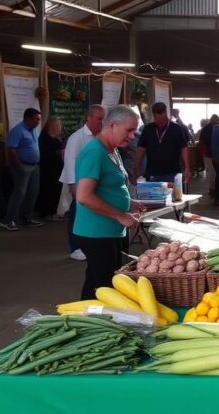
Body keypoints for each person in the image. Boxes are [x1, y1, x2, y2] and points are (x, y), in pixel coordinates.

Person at [74, 105, 147, 300]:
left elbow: (109, 186)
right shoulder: (94, 152)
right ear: (112, 125)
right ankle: (96, 316)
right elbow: (84, 196)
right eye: (129, 130)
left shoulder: (112, 149)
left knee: (100, 281)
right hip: (97, 232)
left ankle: (87, 313)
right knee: (105, 286)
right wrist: (120, 215)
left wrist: (129, 202)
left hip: (112, 231)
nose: (131, 137)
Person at [60, 104, 106, 261]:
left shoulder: (101, 137)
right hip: (80, 185)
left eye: (103, 119)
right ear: (89, 118)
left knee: (92, 215)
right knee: (77, 215)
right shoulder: (76, 138)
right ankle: (75, 247)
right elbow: (70, 162)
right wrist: (73, 186)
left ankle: (91, 244)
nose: (102, 122)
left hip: (96, 183)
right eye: (99, 119)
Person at [2, 107, 43, 231]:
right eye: (36, 119)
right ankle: (8, 221)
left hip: (34, 166)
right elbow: (10, 149)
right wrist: (19, 166)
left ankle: (26, 218)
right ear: (27, 118)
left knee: (33, 192)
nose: (38, 122)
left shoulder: (33, 130)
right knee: (20, 192)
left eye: (39, 119)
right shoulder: (18, 130)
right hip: (22, 166)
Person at [134, 102, 190, 184]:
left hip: (172, 173)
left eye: (162, 119)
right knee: (151, 192)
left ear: (166, 113)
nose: (160, 122)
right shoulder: (148, 129)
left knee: (174, 192)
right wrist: (137, 168)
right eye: (157, 119)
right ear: (153, 116)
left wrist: (187, 167)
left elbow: (184, 147)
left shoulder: (176, 128)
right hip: (152, 173)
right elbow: (141, 149)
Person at [38, 116, 66, 219]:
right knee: (48, 189)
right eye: (56, 125)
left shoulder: (59, 136)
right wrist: (58, 152)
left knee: (56, 189)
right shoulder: (45, 137)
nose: (59, 127)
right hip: (48, 168)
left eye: (59, 125)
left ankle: (54, 211)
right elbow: (46, 152)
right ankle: (46, 212)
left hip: (58, 167)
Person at [199, 114, 219, 198]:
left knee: (211, 172)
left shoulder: (206, 128)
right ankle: (213, 189)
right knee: (213, 173)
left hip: (207, 154)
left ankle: (212, 189)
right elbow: (209, 142)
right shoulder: (214, 128)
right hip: (210, 154)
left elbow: (201, 141)